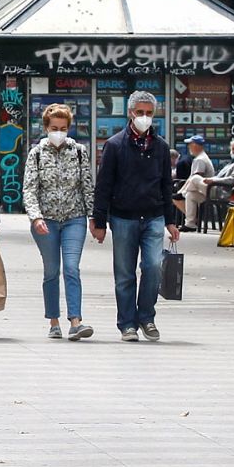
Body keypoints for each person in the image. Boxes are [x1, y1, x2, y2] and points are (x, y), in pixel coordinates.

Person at [92, 90, 180, 342]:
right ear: (130, 113)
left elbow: (166, 185)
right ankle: (127, 323)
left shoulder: (161, 147)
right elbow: (104, 185)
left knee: (153, 267)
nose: (144, 117)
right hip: (123, 217)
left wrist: (171, 220)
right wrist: (99, 221)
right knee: (125, 273)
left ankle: (146, 317)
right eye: (140, 112)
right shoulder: (115, 145)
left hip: (153, 217)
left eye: (149, 113)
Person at [22, 104, 94, 341]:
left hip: (74, 217)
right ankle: (53, 321)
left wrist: (93, 217)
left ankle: (76, 321)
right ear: (45, 128)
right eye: (54, 128)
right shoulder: (37, 153)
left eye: (63, 128)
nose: (59, 132)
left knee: (72, 268)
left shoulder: (80, 151)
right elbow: (29, 190)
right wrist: (36, 217)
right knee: (52, 271)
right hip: (46, 221)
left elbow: (87, 186)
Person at [183, 137, 234, 229]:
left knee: (195, 178)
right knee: (190, 195)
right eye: (233, 149)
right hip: (215, 189)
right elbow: (219, 177)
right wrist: (211, 179)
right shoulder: (231, 163)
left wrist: (213, 180)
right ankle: (190, 224)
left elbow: (232, 180)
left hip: (224, 192)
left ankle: (181, 193)